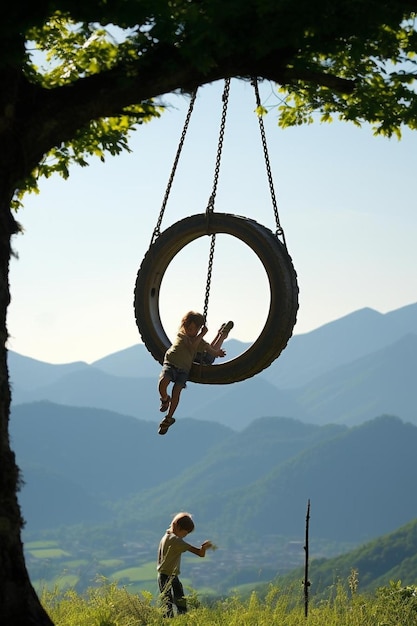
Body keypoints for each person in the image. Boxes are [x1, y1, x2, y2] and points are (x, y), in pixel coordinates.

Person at [157, 312, 233, 435]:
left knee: (177, 391)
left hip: (183, 369)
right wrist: (202, 334)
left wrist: (217, 353)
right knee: (162, 383)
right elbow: (192, 346)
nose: (189, 331)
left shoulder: (199, 341)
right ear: (183, 326)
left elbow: (210, 350)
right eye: (187, 328)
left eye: (193, 329)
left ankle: (168, 417)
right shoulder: (182, 336)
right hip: (171, 364)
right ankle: (165, 399)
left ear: (198, 329)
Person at [157, 512, 213, 618]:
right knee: (180, 602)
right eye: (185, 532)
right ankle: (182, 620)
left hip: (164, 575)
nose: (185, 535)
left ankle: (172, 622)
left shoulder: (167, 535)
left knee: (166, 603)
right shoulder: (176, 541)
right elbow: (200, 553)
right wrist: (204, 547)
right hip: (169, 576)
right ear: (178, 527)